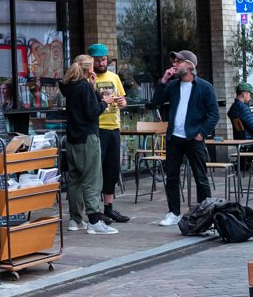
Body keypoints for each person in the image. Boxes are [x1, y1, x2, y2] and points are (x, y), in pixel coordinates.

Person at [146, 51, 219, 226]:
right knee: (171, 176)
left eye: (179, 62)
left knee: (200, 177)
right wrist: (163, 80)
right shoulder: (172, 86)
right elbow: (155, 102)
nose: (174, 65)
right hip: (175, 138)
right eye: (174, 61)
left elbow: (214, 113)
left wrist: (201, 133)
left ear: (190, 65)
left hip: (194, 138)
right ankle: (174, 212)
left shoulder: (204, 87)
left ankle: (204, 213)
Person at [62, 54, 113, 234]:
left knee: (75, 179)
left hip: (72, 138)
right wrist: (104, 102)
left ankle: (75, 219)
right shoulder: (83, 86)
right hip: (87, 137)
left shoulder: (71, 86)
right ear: (89, 68)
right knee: (92, 179)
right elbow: (92, 112)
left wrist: (93, 87)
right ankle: (94, 220)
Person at [89, 44, 132, 224]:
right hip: (97, 128)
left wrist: (122, 102)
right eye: (98, 60)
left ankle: (109, 208)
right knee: (96, 170)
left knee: (112, 169)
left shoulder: (114, 77)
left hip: (113, 127)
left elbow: (123, 100)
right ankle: (95, 210)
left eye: (104, 59)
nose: (101, 63)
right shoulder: (88, 79)